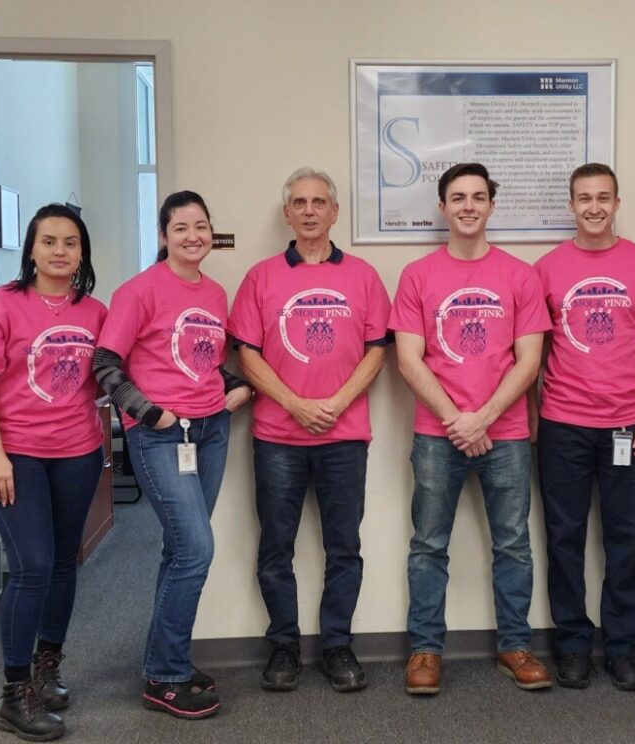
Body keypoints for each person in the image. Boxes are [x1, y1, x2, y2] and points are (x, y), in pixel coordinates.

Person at [390, 162, 552, 695]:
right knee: (429, 545)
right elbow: (410, 360)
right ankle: (425, 651)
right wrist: (457, 419)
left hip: (503, 436)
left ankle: (515, 646)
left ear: (490, 205)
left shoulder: (519, 275)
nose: (467, 206)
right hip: (438, 435)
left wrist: (482, 417)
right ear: (442, 206)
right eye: (457, 197)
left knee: (513, 545)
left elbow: (528, 361)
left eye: (478, 197)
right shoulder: (417, 275)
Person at [229, 168, 390, 693]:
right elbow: (246, 355)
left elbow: (377, 350)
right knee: (277, 545)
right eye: (299, 202)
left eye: (319, 201)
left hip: (345, 439)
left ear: (335, 212)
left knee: (344, 546)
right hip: (278, 437)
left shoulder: (363, 276)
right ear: (287, 214)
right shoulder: (261, 277)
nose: (309, 210)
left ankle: (338, 645)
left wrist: (337, 403)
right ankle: (283, 646)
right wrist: (296, 405)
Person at [93, 191, 251, 719]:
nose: (193, 236)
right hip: (162, 435)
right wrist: (150, 413)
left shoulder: (215, 292)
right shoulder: (138, 291)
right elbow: (106, 363)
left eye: (201, 226)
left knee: (178, 550)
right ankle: (165, 675)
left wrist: (237, 386)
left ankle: (166, 662)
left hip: (211, 431)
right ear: (164, 235)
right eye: (181, 227)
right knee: (196, 551)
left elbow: (200, 360)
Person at [533, 164, 635, 692]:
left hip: (629, 426)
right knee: (564, 538)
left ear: (618, 202)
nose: (593, 206)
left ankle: (622, 648)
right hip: (563, 426)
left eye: (603, 197)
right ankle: (572, 646)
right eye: (583, 198)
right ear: (570, 205)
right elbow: (533, 351)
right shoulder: (547, 268)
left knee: (626, 539)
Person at [0, 204, 107, 741]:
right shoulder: (3, 304)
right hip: (15, 454)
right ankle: (13, 693)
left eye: (71, 242)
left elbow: (114, 371)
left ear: (82, 252)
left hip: (78, 452)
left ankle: (48, 668)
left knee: (63, 563)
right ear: (31, 249)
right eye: (49, 241)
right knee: (32, 566)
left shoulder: (96, 311)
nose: (60, 251)